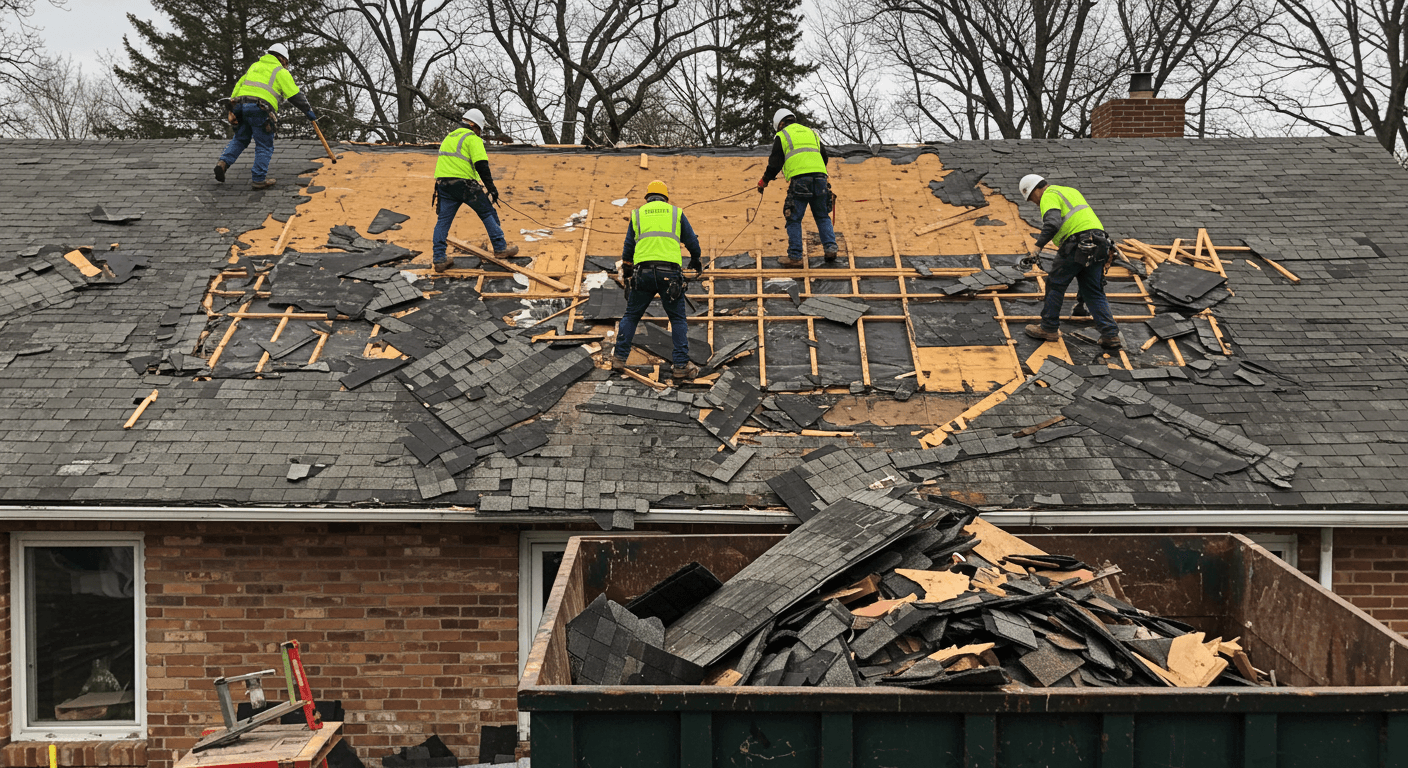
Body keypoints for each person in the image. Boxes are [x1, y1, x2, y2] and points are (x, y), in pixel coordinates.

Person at [609, 180, 703, 380]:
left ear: (648, 197)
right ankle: (680, 365)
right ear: (665, 198)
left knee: (631, 316)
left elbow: (628, 249)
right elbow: (692, 241)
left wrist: (627, 276)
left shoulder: (637, 214)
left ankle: (618, 358)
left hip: (642, 272)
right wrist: (696, 260)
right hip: (669, 274)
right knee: (677, 318)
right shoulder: (675, 213)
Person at [1018, 174, 1122, 349]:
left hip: (1077, 243)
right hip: (1099, 242)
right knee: (1093, 291)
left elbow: (1052, 224)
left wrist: (1037, 248)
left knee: (1055, 284)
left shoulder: (1049, 195)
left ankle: (1048, 328)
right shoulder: (1070, 191)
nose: (1035, 203)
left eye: (1032, 198)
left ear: (1036, 189)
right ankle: (1110, 335)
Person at [215, 43, 317, 190]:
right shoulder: (279, 71)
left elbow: (239, 86)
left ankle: (222, 163)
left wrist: (232, 110)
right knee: (264, 145)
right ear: (282, 58)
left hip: (242, 106)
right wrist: (307, 110)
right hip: (260, 109)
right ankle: (258, 179)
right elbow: (294, 94)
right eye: (286, 62)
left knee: (240, 138)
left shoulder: (255, 66)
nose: (286, 65)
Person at [431, 108, 517, 272]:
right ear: (474, 125)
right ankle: (500, 247)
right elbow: (482, 165)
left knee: (443, 221)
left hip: (443, 185)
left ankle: (439, 258)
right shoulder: (472, 139)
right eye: (479, 129)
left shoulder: (449, 137)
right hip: (464, 185)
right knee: (487, 212)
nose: (479, 133)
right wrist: (491, 188)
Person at [756, 108, 838, 267]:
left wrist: (764, 181)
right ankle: (830, 249)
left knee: (793, 217)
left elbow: (775, 163)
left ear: (780, 123)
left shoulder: (783, 135)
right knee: (822, 216)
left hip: (801, 180)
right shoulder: (811, 133)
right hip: (821, 178)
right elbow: (824, 156)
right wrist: (817, 173)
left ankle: (795, 256)